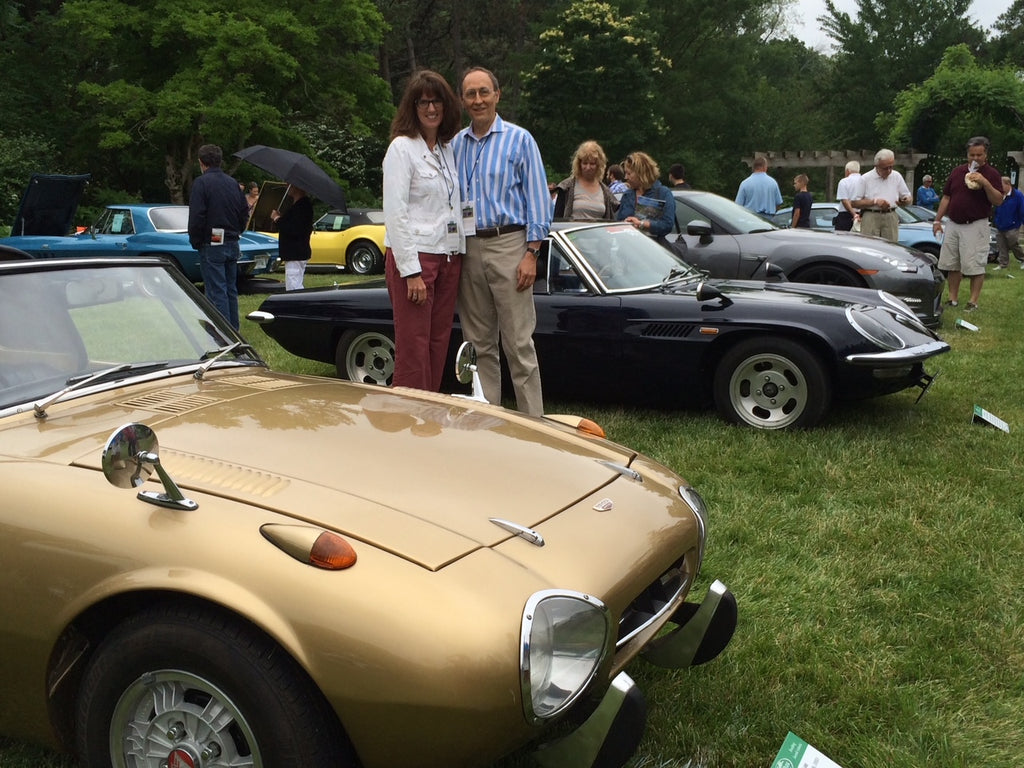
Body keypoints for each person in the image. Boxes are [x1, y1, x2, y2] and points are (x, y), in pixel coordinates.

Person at [452, 67, 549, 416]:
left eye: (483, 92)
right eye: (470, 94)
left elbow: (538, 199)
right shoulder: (456, 145)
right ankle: (489, 423)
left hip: (510, 244)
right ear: (463, 100)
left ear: (497, 94)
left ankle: (533, 424)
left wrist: (532, 253)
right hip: (469, 248)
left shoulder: (520, 140)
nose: (477, 100)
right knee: (479, 343)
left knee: (519, 342)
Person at [382, 69, 464, 393]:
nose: (431, 109)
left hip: (448, 257)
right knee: (414, 345)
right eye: (423, 102)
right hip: (416, 260)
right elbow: (395, 212)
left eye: (437, 102)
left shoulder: (447, 150)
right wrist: (411, 271)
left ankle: (429, 415)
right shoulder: (401, 149)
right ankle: (407, 418)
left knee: (437, 340)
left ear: (446, 107)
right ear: (412, 108)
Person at [932, 136, 1004, 311]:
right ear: (967, 154)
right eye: (972, 155)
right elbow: (947, 197)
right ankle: (953, 298)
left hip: (976, 224)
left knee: (975, 265)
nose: (975, 158)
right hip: (954, 223)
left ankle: (973, 301)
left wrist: (984, 182)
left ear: (985, 154)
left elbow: (998, 200)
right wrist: (937, 219)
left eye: (979, 155)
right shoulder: (957, 172)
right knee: (952, 263)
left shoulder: (992, 174)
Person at [188, 144, 248, 330]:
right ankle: (234, 330)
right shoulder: (232, 183)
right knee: (230, 288)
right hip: (232, 241)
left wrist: (196, 240)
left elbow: (197, 215)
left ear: (201, 162)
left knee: (216, 291)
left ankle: (221, 333)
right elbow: (244, 211)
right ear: (220, 161)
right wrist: (237, 230)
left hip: (212, 243)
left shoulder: (201, 183)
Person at [850, 149, 912, 243]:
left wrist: (905, 200)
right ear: (877, 166)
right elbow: (854, 203)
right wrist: (875, 202)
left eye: (891, 167)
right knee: (869, 247)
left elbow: (908, 196)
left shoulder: (896, 176)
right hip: (871, 216)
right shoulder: (865, 179)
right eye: (885, 168)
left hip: (891, 216)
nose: (889, 171)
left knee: (891, 248)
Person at [552, 140, 618, 220]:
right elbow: (557, 220)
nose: (588, 167)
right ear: (579, 164)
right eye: (585, 163)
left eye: (592, 164)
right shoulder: (567, 187)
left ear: (599, 165)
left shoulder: (606, 192)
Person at [615, 151, 676, 238]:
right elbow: (618, 222)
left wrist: (642, 224)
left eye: (629, 173)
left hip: (652, 247)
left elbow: (667, 225)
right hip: (628, 246)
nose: (625, 177)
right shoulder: (628, 194)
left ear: (641, 173)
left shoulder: (663, 193)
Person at [270, 186, 313, 291]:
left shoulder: (301, 206)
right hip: (296, 252)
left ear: (297, 187)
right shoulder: (299, 205)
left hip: (295, 252)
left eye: (290, 185)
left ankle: (297, 306)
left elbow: (293, 229)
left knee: (293, 286)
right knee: (294, 283)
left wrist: (277, 219)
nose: (287, 187)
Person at [991, 176, 1024, 270]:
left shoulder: (1018, 195)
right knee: (1001, 244)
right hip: (1000, 224)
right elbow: (995, 208)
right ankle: (1003, 264)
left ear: (1008, 184)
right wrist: (996, 221)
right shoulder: (1000, 195)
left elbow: (1022, 209)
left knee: (1013, 243)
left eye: (1001, 185)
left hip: (1013, 225)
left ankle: (1022, 258)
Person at [833, 160, 861, 231]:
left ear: (848, 171)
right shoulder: (864, 181)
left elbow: (844, 201)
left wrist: (854, 214)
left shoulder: (844, 182)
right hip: (861, 215)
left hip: (845, 216)